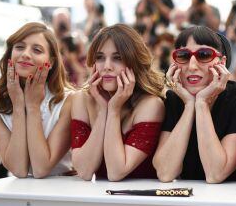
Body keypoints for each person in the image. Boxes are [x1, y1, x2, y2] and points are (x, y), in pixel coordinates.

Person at [153, 26, 236, 183]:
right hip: (191, 202)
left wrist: (202, 104)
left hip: (233, 201)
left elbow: (215, 173)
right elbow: (165, 172)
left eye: (204, 55)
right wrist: (189, 105)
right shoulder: (173, 99)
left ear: (222, 62)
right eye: (183, 56)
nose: (192, 66)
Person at [70, 24, 165, 181]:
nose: (107, 67)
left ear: (134, 63)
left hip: (142, 202)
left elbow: (116, 172)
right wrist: (103, 110)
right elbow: (84, 171)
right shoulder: (82, 99)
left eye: (117, 58)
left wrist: (113, 110)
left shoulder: (151, 104)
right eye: (100, 58)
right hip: (99, 201)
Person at [0, 22, 73, 178]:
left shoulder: (70, 101)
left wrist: (32, 107)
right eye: (19, 47)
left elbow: (40, 168)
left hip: (63, 192)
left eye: (37, 50)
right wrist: (18, 106)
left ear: (50, 62)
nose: (25, 54)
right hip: (21, 196)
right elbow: (18, 169)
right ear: (10, 54)